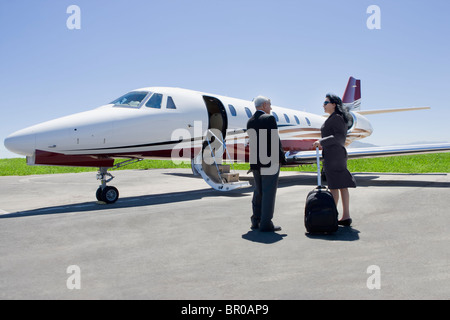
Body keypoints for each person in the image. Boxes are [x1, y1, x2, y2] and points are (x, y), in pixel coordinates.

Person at [313, 93, 356, 226]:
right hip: (334, 155)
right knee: (341, 185)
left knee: (334, 186)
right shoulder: (335, 117)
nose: (323, 105)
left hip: (335, 156)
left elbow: (339, 138)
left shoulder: (337, 118)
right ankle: (345, 216)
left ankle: (333, 215)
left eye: (326, 103)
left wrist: (321, 141)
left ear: (334, 104)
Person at [247, 96, 287, 232]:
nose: (271, 107)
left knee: (258, 191)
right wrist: (282, 158)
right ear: (264, 105)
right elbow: (274, 141)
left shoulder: (250, 121)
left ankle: (255, 220)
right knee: (269, 192)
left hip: (256, 163)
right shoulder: (269, 119)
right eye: (270, 105)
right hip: (270, 163)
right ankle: (266, 223)